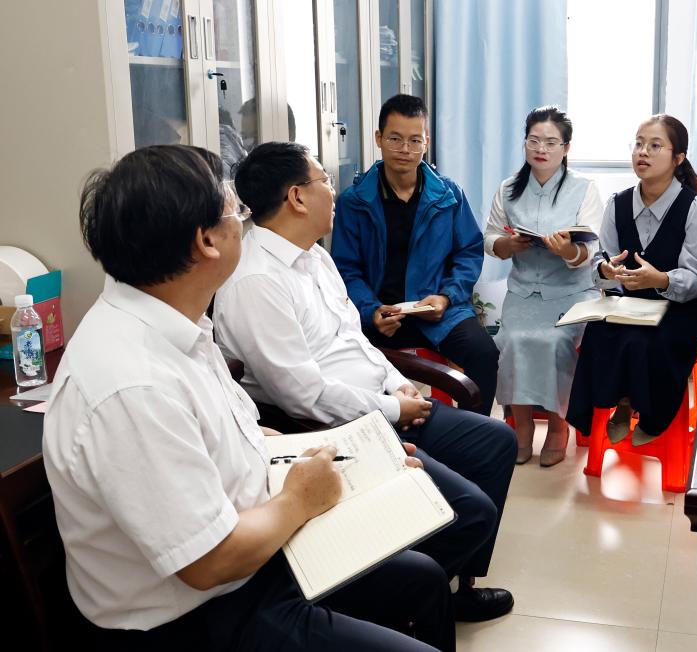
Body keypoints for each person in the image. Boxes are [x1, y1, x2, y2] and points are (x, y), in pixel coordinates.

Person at [43, 144, 454, 651]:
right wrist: (301, 498)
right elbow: (209, 561)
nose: (247, 224)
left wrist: (358, 457)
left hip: (253, 548)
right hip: (199, 614)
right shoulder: (132, 384)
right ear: (206, 242)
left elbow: (238, 437)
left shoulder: (178, 323)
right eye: (236, 212)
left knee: (423, 581)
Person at [216, 141, 516, 622]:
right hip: (333, 427)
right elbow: (302, 395)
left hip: (380, 404)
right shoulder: (258, 281)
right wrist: (394, 409)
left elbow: (354, 340)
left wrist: (398, 384)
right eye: (324, 181)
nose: (333, 191)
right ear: (296, 197)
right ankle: (405, 601)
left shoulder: (314, 257)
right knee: (472, 512)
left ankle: (452, 585)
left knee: (497, 442)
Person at [332, 94, 499, 416]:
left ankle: (475, 434)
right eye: (395, 139)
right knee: (346, 364)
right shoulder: (354, 202)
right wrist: (371, 310)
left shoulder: (449, 195)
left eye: (414, 140)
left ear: (426, 142)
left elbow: (468, 253)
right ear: (379, 138)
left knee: (484, 355)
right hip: (380, 313)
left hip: (438, 312)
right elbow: (346, 269)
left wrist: (446, 297)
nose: (405, 149)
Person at [566, 115, 697, 445]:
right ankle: (622, 403)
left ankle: (649, 416)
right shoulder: (617, 204)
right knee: (598, 333)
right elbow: (600, 262)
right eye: (638, 144)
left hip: (679, 309)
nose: (642, 152)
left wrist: (661, 280)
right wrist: (606, 271)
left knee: (646, 342)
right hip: (629, 305)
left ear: (678, 158)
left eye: (654, 145)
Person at [483, 106, 602, 467]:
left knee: (555, 343)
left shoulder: (584, 189)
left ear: (566, 148)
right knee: (512, 341)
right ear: (524, 143)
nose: (541, 149)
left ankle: (557, 426)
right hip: (523, 291)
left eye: (551, 142)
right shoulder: (508, 189)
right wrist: (508, 245)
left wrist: (567, 251)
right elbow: (491, 238)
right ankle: (521, 428)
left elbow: (591, 248)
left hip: (571, 292)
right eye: (534, 140)